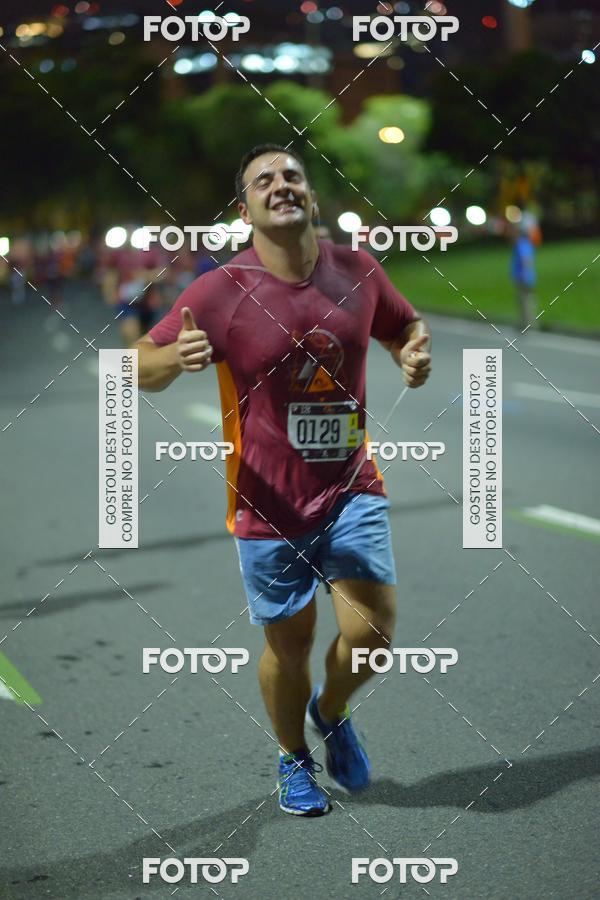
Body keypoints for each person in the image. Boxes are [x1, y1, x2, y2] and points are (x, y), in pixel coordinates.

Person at [135, 144, 431, 816]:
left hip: (351, 486)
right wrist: (174, 359)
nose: (281, 185)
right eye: (263, 180)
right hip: (266, 502)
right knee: (289, 646)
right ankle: (293, 756)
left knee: (373, 637)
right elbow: (135, 365)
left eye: (292, 175)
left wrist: (410, 352)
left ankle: (331, 711)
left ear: (311, 196)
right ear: (245, 211)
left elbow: (402, 325)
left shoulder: (358, 270)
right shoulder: (220, 290)